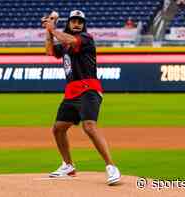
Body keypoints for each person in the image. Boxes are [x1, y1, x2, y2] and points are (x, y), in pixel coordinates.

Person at [41, 10, 121, 185]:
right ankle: (68, 165)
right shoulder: (64, 44)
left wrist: (52, 29)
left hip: (89, 89)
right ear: (68, 23)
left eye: (80, 21)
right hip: (71, 91)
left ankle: (111, 167)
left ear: (83, 24)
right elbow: (49, 51)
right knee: (58, 128)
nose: (77, 24)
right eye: (73, 21)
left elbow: (68, 39)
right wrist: (48, 31)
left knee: (89, 126)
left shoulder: (86, 38)